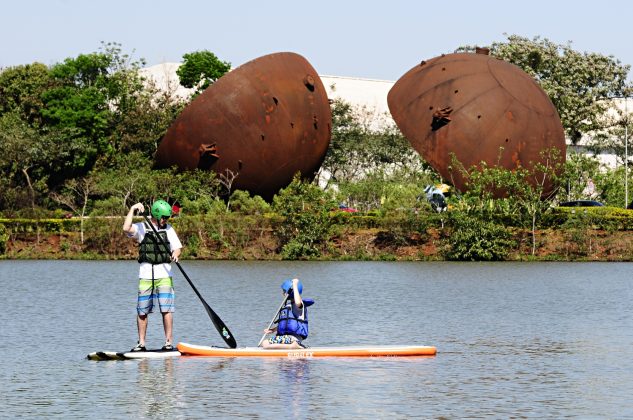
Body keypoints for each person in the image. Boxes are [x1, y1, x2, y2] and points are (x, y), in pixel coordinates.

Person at [122, 200, 182, 352]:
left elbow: (177, 247)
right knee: (142, 311)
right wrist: (132, 209)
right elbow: (126, 228)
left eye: (167, 217)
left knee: (166, 310)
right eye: (164, 217)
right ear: (156, 215)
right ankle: (141, 343)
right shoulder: (142, 228)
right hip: (146, 275)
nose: (166, 220)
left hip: (164, 274)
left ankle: (168, 342)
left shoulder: (168, 229)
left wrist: (175, 254)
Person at [262, 278, 314, 349]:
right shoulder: (288, 306)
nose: (283, 293)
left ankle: (293, 346)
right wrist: (272, 330)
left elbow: (298, 302)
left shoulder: (299, 304)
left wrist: (294, 285)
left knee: (265, 344)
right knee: (266, 346)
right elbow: (287, 323)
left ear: (291, 292)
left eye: (284, 291)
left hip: (294, 338)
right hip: (285, 338)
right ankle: (291, 346)